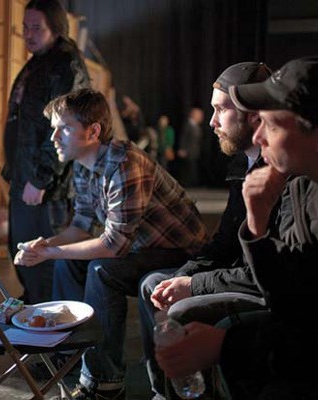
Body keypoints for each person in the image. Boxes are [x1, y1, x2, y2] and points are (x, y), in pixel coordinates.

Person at [156, 56, 318, 399]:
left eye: (272, 124)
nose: (259, 135)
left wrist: (227, 345)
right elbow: (294, 304)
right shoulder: (302, 188)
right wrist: (257, 227)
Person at [15, 88, 208, 400]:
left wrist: (51, 251)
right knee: (67, 262)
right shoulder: (83, 164)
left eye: (63, 128)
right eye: (54, 129)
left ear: (93, 131)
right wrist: (45, 245)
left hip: (181, 252)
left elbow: (114, 244)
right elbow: (80, 225)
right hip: (141, 249)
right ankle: (68, 360)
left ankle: (103, 384)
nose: (54, 138)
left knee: (102, 269)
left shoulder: (125, 163)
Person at [139, 62, 274, 399]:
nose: (213, 122)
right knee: (154, 284)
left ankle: (195, 393)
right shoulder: (239, 162)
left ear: (253, 115)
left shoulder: (280, 171)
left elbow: (267, 271)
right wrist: (183, 277)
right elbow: (224, 242)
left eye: (220, 109)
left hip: (261, 285)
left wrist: (193, 285)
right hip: (239, 273)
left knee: (184, 308)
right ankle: (166, 391)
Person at [1, 0, 90, 304]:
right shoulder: (39, 61)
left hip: (45, 184)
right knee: (23, 251)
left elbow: (66, 130)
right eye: (24, 27)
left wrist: (40, 178)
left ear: (56, 28)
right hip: (25, 174)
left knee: (43, 258)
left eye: (36, 27)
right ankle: (36, 313)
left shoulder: (65, 64)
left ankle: (52, 329)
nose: (28, 33)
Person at [177, 107, 205, 187]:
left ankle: (192, 184)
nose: (201, 117)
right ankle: (187, 184)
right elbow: (183, 137)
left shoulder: (196, 126)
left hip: (194, 151)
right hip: (187, 151)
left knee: (193, 169)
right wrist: (182, 149)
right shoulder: (188, 125)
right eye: (199, 115)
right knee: (187, 169)